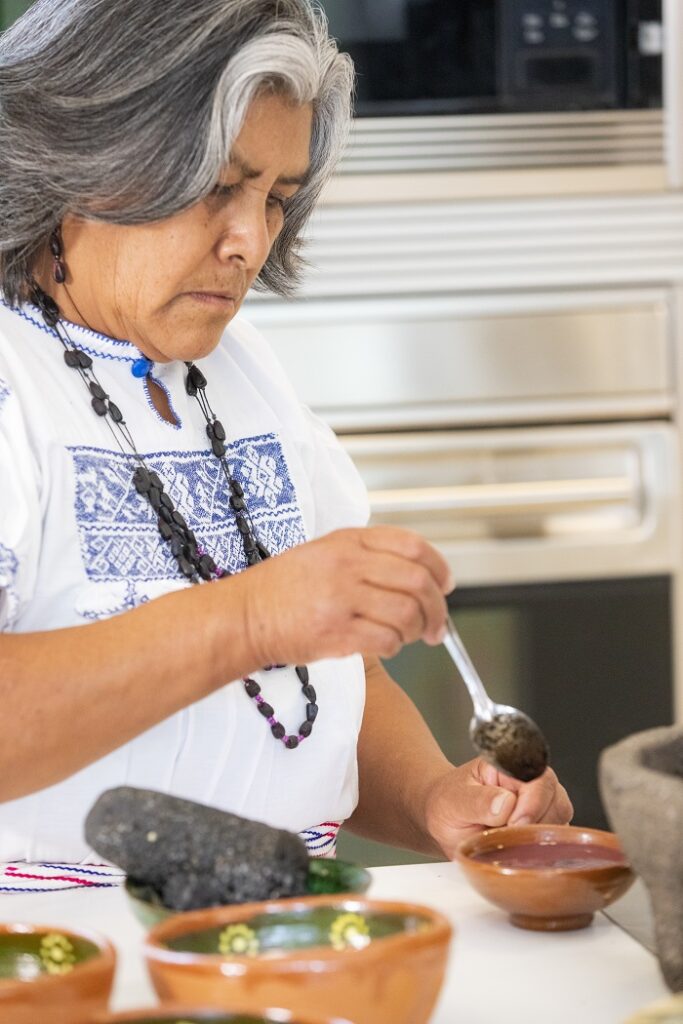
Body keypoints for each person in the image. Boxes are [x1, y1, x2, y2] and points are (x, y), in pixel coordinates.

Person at [0, 0, 572, 866]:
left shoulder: (242, 371)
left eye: (276, 198)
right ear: (86, 158)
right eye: (220, 185)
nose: (249, 242)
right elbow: (266, 628)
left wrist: (431, 799)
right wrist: (252, 617)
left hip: (277, 946)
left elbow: (334, 680)